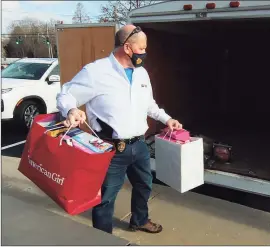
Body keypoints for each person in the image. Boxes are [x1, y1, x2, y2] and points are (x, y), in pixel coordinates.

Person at [56, 24, 182, 234]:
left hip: (139, 145)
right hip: (110, 149)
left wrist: (167, 119)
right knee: (105, 198)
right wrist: (70, 110)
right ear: (127, 48)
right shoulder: (96, 72)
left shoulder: (141, 73)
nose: (145, 53)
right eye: (141, 48)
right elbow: (66, 94)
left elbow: (149, 104)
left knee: (144, 186)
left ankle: (139, 220)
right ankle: (103, 238)